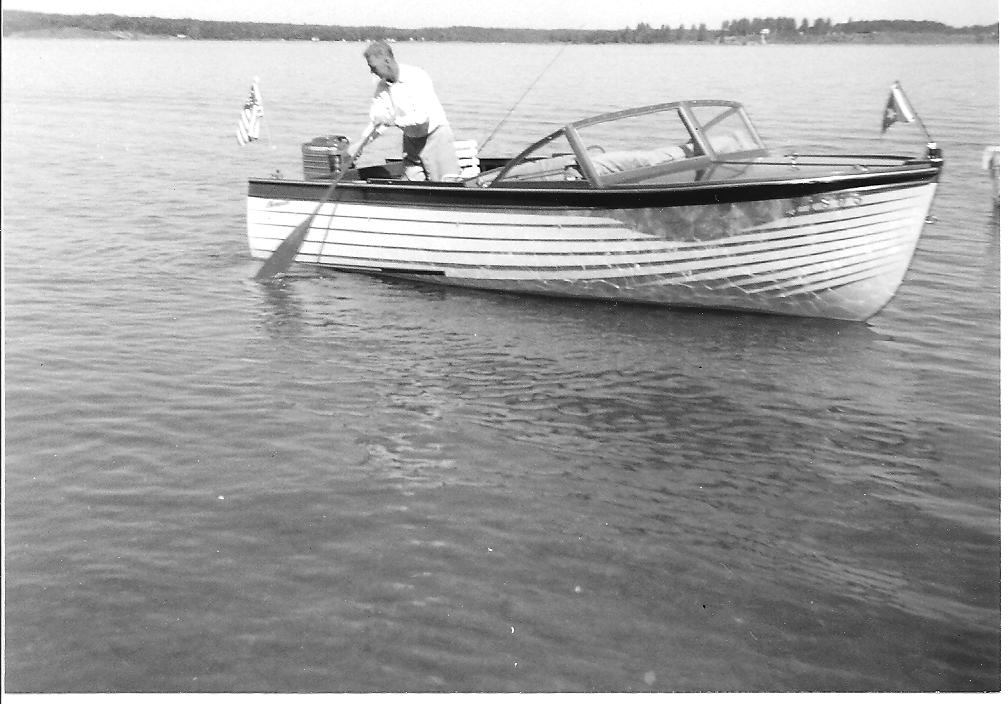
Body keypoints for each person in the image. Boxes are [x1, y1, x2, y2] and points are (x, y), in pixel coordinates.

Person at [353, 41, 459, 181]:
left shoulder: (416, 76)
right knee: (409, 183)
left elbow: (421, 117)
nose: (371, 71)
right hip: (411, 141)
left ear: (387, 60)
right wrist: (360, 144)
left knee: (445, 186)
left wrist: (392, 121)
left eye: (373, 67)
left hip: (436, 137)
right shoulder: (382, 87)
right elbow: (378, 122)